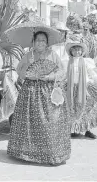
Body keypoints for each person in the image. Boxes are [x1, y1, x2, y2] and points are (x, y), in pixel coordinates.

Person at [7, 31, 71, 165]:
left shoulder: (52, 54)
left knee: (50, 122)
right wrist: (29, 75)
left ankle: (52, 154)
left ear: (47, 43)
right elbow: (19, 70)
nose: (40, 43)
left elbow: (61, 72)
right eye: (38, 40)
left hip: (49, 93)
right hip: (30, 93)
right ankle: (27, 153)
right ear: (33, 42)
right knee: (29, 122)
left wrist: (49, 77)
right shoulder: (28, 55)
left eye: (43, 40)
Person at [63, 34, 97, 139]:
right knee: (72, 110)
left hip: (85, 89)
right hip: (71, 90)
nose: (77, 51)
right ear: (71, 51)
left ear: (82, 51)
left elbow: (92, 74)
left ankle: (87, 129)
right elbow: (63, 75)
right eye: (75, 49)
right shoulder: (67, 62)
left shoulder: (86, 62)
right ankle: (72, 130)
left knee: (85, 109)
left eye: (79, 49)